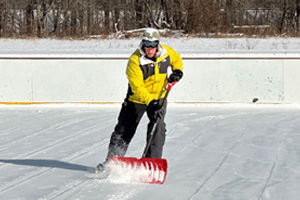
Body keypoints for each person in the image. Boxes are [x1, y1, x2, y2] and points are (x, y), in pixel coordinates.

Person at [96, 28, 183, 171]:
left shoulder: (166, 53)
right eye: (147, 46)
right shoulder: (135, 61)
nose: (150, 50)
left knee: (158, 128)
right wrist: (150, 101)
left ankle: (151, 163)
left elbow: (177, 59)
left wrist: (177, 71)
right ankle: (111, 162)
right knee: (124, 130)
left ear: (158, 45)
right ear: (142, 44)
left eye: (153, 46)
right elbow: (137, 87)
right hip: (136, 100)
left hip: (160, 97)